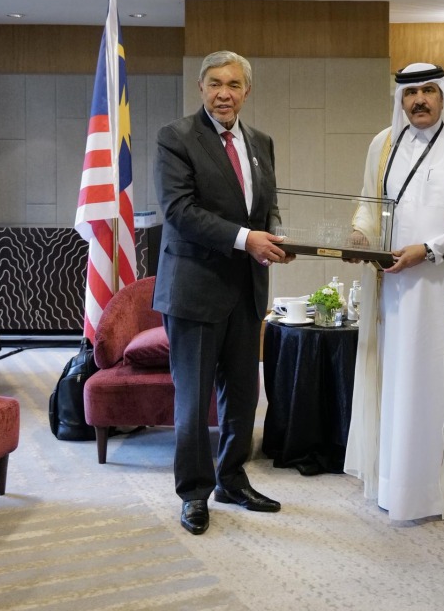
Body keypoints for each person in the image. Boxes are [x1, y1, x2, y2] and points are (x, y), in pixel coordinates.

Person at [344, 62, 444, 529]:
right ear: (400, 99)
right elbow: (368, 202)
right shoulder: (383, 145)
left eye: (429, 91)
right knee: (398, 381)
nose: (419, 101)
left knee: (437, 382)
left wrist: (429, 250)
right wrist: (360, 235)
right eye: (411, 93)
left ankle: (439, 490)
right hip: (393, 292)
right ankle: (397, 485)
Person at [153, 50, 291, 536]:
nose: (224, 93)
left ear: (247, 90)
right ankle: (194, 492)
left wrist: (276, 238)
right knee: (193, 401)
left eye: (233, 84)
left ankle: (232, 479)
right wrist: (245, 239)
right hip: (193, 289)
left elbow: (265, 208)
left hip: (247, 289)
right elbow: (179, 210)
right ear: (201, 88)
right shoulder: (176, 138)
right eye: (215, 83)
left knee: (243, 396)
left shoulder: (262, 142)